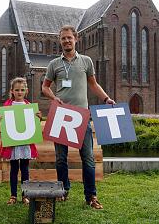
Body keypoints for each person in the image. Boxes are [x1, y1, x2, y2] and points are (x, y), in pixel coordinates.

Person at [41, 25, 115, 210]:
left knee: (88, 158)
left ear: (76, 39)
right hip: (61, 115)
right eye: (63, 38)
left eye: (69, 38)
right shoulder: (54, 64)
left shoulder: (86, 61)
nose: (66, 41)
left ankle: (91, 196)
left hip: (82, 116)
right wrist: (53, 97)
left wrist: (106, 98)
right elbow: (45, 87)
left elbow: (93, 84)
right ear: (60, 41)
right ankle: (63, 191)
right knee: (60, 159)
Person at [0, 77, 41, 205]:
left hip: (25, 143)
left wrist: (38, 117)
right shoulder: (7, 106)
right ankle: (13, 195)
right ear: (12, 91)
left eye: (22, 90)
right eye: (17, 90)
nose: (19, 92)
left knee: (25, 168)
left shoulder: (29, 106)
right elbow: (2, 124)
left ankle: (25, 195)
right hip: (13, 144)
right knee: (14, 169)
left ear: (26, 91)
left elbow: (34, 124)